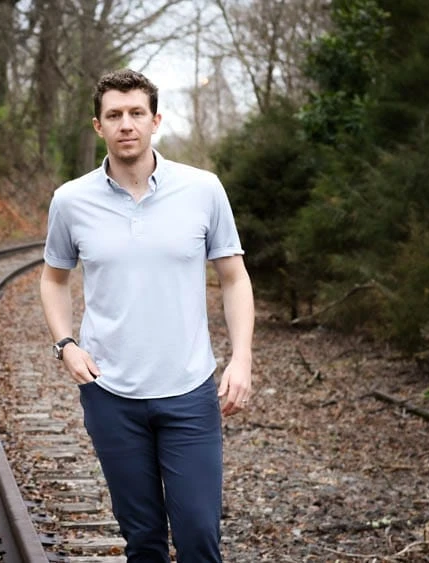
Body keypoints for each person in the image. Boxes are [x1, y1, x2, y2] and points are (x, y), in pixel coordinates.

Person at [39, 68, 254, 562]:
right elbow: (53, 279)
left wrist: (241, 358)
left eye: (136, 113)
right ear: (98, 126)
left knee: (200, 537)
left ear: (155, 120)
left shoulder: (202, 189)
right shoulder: (71, 200)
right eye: (114, 115)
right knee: (144, 542)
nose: (126, 124)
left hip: (189, 393)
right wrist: (65, 344)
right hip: (111, 396)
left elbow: (234, 277)